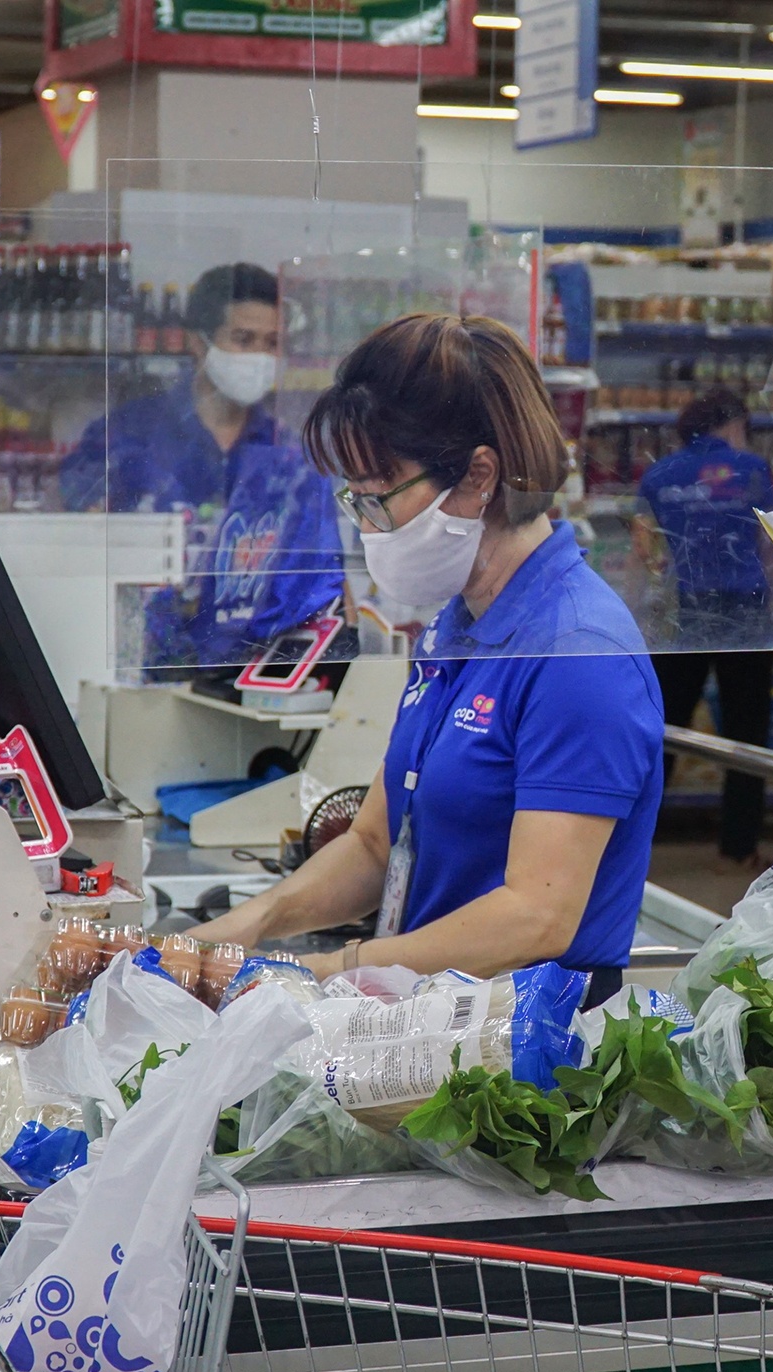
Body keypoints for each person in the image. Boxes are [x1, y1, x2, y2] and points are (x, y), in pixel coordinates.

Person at [193, 313, 665, 1008]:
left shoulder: (576, 654)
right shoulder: (458, 624)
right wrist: (242, 928)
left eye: (378, 494)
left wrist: (330, 970)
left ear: (478, 476)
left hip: (529, 1058)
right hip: (427, 1018)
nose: (367, 524)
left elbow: (537, 914)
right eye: (352, 496)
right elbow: (377, 844)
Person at [59, 262, 345, 667]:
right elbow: (69, 538)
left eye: (272, 343)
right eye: (243, 339)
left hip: (248, 674)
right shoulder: (130, 437)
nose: (259, 357)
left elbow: (315, 577)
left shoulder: (291, 457)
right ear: (198, 342)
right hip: (136, 664)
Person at [635, 387, 773, 869]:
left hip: (686, 611)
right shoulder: (752, 469)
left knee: (665, 727)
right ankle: (738, 849)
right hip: (745, 611)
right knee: (746, 732)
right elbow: (767, 545)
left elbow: (647, 554)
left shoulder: (658, 476)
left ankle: (636, 839)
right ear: (732, 422)